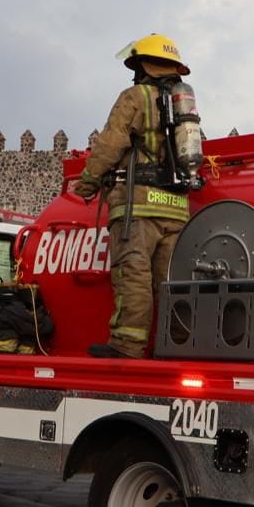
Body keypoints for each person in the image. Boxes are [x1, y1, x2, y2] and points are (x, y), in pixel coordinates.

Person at [71, 33, 198, 359]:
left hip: (138, 206)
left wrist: (86, 184)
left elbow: (111, 144)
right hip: (177, 208)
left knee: (133, 275)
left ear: (142, 64)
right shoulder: (183, 106)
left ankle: (127, 345)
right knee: (172, 283)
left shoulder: (135, 97)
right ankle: (179, 347)